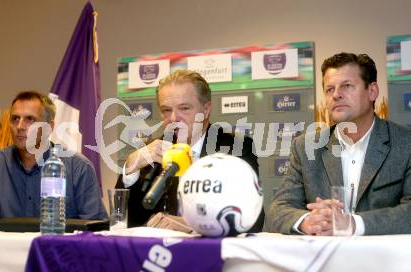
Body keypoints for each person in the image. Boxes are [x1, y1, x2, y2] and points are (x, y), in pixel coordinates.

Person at [265, 52, 411, 235]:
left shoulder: (406, 144)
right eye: (329, 89)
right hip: (324, 262)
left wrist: (353, 224)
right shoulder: (305, 147)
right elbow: (278, 210)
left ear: (372, 91)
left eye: (347, 86)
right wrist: (308, 221)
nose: (336, 95)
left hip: (387, 262)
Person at [116, 69, 262, 230]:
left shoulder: (236, 147)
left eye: (184, 108)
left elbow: (251, 218)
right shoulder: (153, 150)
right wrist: (131, 168)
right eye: (166, 110)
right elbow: (126, 222)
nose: (173, 118)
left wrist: (193, 227)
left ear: (206, 109)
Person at [0, 91, 107, 226]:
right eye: (15, 119)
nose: (19, 127)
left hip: (58, 248)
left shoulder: (78, 168)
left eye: (30, 119)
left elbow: (96, 229)